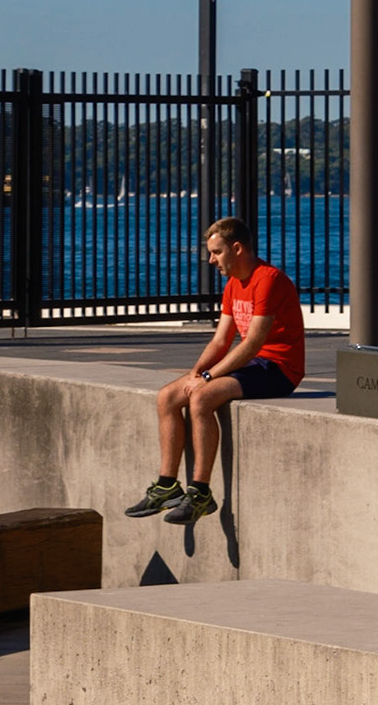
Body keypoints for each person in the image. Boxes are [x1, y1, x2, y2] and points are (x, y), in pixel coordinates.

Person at [124, 217, 306, 525]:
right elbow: (221, 340)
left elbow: (253, 344)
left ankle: (200, 493)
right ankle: (167, 486)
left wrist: (208, 378)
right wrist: (196, 372)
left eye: (217, 252)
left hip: (278, 368)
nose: (211, 260)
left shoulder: (269, 279)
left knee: (202, 398)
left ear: (237, 248)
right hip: (253, 364)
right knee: (168, 396)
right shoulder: (233, 284)